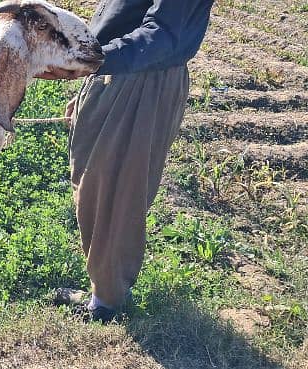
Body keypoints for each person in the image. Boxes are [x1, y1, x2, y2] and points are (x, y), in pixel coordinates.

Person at [38, 0, 215, 322]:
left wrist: (88, 61)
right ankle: (104, 287)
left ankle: (107, 301)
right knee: (94, 186)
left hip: (143, 80)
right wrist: (90, 84)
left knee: (117, 192)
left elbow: (163, 34)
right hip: (118, 73)